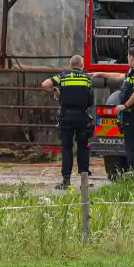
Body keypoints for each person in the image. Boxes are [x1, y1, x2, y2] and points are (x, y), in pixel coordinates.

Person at [41, 55, 93, 190]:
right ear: (81, 66)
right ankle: (84, 181)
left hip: (67, 118)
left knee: (66, 149)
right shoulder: (86, 78)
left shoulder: (63, 77)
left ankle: (66, 180)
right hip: (82, 118)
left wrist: (56, 90)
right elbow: (90, 99)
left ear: (70, 66)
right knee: (83, 148)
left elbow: (44, 84)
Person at [91, 47, 134, 170]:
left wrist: (125, 105)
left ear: (131, 58)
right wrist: (101, 73)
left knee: (132, 146)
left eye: (128, 57)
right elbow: (119, 76)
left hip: (132, 113)